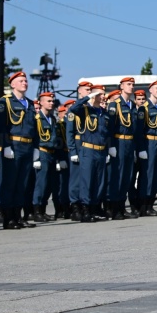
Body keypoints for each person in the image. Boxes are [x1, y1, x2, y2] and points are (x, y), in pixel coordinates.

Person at [0, 71, 39, 230]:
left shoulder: (30, 104)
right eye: (21, 81)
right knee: (10, 183)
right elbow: (1, 126)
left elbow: (35, 128)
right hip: (13, 145)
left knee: (23, 184)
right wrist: (5, 146)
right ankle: (8, 218)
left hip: (27, 146)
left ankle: (17, 216)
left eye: (25, 81)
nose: (24, 83)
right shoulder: (5, 102)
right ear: (12, 84)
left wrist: (36, 148)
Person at [68, 84, 112, 222]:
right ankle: (85, 210)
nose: (103, 96)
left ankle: (94, 208)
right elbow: (72, 109)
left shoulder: (104, 113)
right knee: (86, 180)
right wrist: (88, 97)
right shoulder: (85, 110)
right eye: (100, 94)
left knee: (99, 181)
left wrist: (108, 149)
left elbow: (107, 134)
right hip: (88, 149)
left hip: (100, 150)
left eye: (103, 94)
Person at [107, 77, 138, 219]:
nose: (131, 87)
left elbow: (136, 129)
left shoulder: (132, 105)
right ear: (121, 86)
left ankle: (122, 207)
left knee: (127, 177)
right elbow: (110, 128)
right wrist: (111, 146)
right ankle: (115, 210)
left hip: (130, 144)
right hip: (119, 142)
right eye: (128, 84)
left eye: (132, 85)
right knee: (117, 177)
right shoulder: (115, 105)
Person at [137, 80, 157, 217]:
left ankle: (151, 204)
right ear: (150, 90)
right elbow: (139, 130)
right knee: (147, 175)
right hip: (149, 143)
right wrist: (141, 148)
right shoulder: (144, 108)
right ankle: (144, 206)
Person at [31, 92, 59, 222]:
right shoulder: (37, 119)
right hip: (41, 152)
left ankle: (43, 209)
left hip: (52, 153)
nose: (51, 103)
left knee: (49, 184)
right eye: (48, 101)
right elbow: (34, 138)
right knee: (41, 184)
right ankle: (36, 210)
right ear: (40, 102)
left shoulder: (52, 119)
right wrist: (36, 157)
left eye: (52, 101)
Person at [67, 81, 92, 221]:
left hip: (87, 145)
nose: (89, 92)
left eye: (90, 89)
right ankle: (75, 206)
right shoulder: (74, 109)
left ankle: (85, 205)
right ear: (80, 92)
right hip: (77, 144)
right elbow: (69, 132)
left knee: (85, 178)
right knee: (75, 178)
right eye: (87, 90)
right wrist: (72, 151)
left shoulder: (89, 109)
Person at [53, 104, 70, 219]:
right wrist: (60, 159)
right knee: (60, 186)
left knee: (70, 184)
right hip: (63, 155)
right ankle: (60, 209)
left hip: (70, 155)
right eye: (64, 112)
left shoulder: (70, 124)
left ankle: (68, 208)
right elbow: (58, 143)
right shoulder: (59, 126)